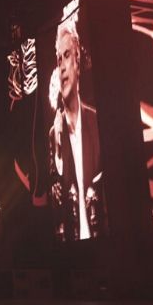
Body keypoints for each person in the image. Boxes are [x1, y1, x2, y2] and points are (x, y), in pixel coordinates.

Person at [49, 20, 103, 241]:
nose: (62, 66)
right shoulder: (54, 134)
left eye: (67, 55)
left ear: (78, 63)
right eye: (58, 58)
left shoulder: (97, 122)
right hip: (71, 246)